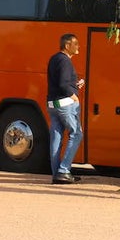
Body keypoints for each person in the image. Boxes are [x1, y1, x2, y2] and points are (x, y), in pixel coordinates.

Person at [46, 33, 84, 184]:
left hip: (52, 104)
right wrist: (73, 95)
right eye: (75, 44)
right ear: (67, 46)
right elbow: (63, 84)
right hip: (65, 104)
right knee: (77, 134)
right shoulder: (65, 61)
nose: (78, 46)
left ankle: (56, 174)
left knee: (56, 138)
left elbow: (59, 82)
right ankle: (63, 170)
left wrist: (75, 85)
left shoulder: (54, 59)